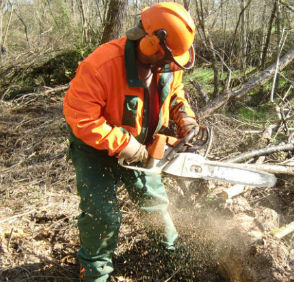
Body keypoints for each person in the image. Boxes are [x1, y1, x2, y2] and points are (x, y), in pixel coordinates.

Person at [63, 2, 200, 281]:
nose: (170, 66)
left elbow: (175, 92)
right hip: (94, 148)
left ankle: (175, 258)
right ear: (150, 44)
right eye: (167, 59)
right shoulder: (101, 65)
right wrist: (127, 146)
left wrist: (183, 115)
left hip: (142, 146)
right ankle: (95, 270)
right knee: (102, 214)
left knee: (154, 204)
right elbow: (81, 117)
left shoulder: (169, 63)